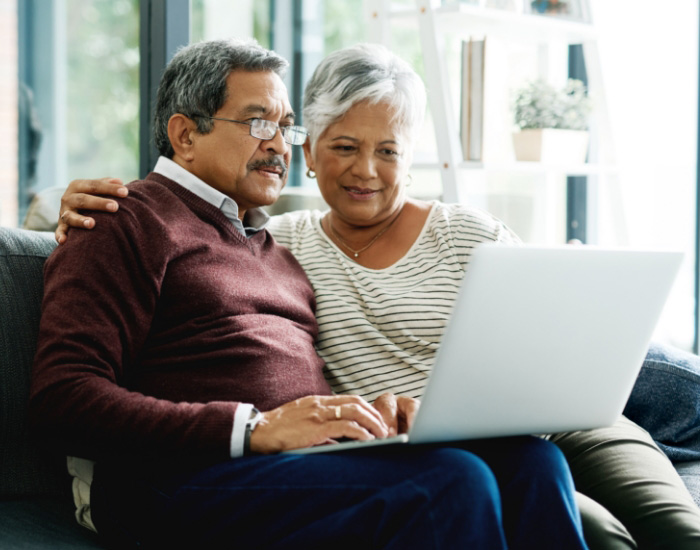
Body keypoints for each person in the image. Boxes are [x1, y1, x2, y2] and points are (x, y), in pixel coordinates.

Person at [55, 42, 700, 549]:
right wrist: (254, 428)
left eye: (286, 126)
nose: (279, 144)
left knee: (533, 466)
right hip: (179, 480)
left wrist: (374, 417)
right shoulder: (122, 218)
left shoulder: (270, 245)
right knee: (451, 482)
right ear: (184, 134)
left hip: (312, 464)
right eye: (258, 123)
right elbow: (62, 397)